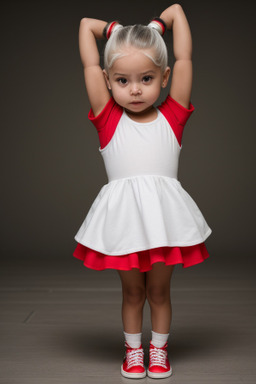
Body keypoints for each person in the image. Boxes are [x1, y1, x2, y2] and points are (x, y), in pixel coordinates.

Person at [73, 3, 212, 379]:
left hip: (164, 222)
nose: (134, 89)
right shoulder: (107, 117)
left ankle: (159, 350)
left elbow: (181, 42)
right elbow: (87, 27)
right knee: (134, 293)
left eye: (146, 79)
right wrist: (117, 29)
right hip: (126, 222)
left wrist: (161, 22)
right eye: (122, 80)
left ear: (165, 77)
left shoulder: (174, 115)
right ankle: (134, 352)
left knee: (160, 293)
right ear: (107, 80)